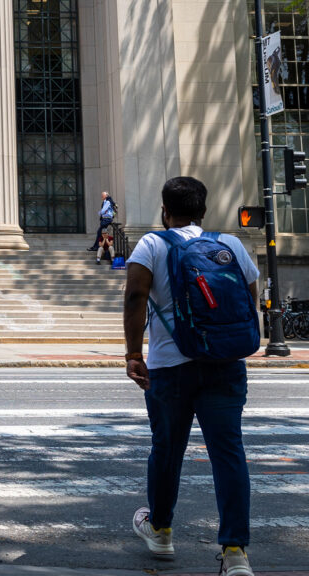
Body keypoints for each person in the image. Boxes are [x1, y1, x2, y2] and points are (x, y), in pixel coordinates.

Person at [123, 177, 258, 575]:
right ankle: (235, 552)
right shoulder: (229, 244)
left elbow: (135, 296)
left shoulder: (152, 244)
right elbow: (248, 299)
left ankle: (161, 530)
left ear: (165, 211)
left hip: (171, 366)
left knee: (167, 450)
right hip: (224, 365)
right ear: (204, 209)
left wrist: (133, 353)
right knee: (228, 453)